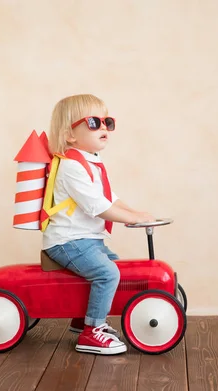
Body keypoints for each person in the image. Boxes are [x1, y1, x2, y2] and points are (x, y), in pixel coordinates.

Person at [42, 94, 155, 355]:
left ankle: (81, 318)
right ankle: (92, 332)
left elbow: (108, 197)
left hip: (85, 240)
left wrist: (136, 212)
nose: (103, 127)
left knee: (114, 267)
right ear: (70, 134)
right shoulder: (70, 165)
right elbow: (98, 207)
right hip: (68, 241)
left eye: (107, 122)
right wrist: (133, 219)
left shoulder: (90, 161)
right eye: (94, 122)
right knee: (107, 273)